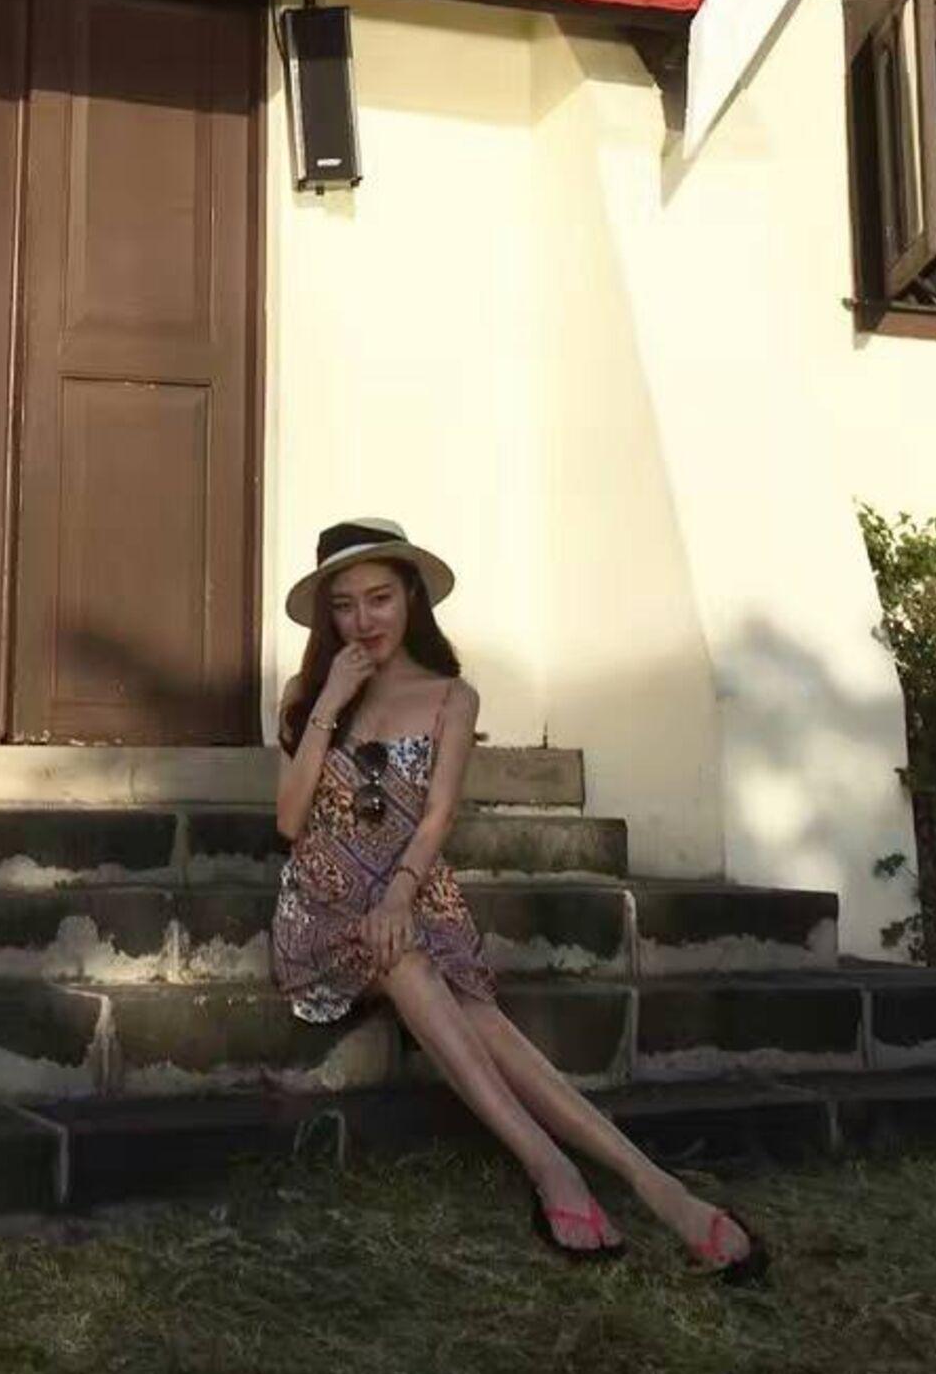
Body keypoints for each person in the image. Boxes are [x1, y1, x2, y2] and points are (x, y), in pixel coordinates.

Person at [270, 517, 766, 1277]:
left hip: (413, 898)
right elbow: (287, 820)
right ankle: (550, 1167)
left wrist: (399, 896)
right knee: (406, 964)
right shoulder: (309, 694)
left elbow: (438, 815)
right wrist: (330, 700)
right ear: (327, 616)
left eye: (379, 598)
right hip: (324, 907)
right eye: (344, 605)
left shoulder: (452, 697)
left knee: (476, 1012)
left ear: (411, 598)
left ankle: (658, 1188)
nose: (363, 620)